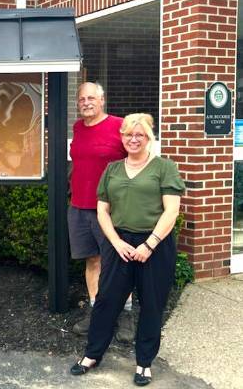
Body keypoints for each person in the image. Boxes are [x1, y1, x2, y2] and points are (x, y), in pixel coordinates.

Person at [70, 113, 185, 386]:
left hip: (155, 245)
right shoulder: (112, 169)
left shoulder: (164, 167)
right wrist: (116, 242)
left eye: (140, 135)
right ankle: (92, 354)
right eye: (128, 134)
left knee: (152, 304)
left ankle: (144, 362)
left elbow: (172, 210)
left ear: (148, 138)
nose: (134, 139)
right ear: (121, 137)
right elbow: (102, 210)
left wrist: (150, 244)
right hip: (119, 243)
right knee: (107, 300)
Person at [68, 82, 133, 340]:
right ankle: (97, 311)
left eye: (91, 98)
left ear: (102, 100)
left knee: (118, 263)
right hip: (80, 207)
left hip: (111, 209)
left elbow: (138, 159)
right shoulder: (77, 128)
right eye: (82, 98)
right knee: (92, 261)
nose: (86, 102)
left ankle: (126, 314)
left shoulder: (120, 126)